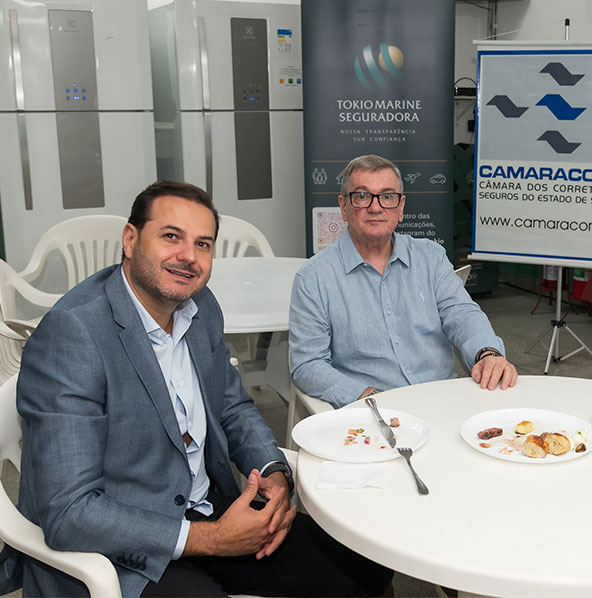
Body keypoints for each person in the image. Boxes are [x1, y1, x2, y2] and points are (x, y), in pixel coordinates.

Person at [0, 181, 391, 597]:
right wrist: (214, 539)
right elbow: (69, 513)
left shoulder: (200, 308)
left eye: (203, 244)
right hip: (119, 548)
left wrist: (273, 473)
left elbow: (232, 407)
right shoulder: (73, 334)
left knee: (363, 561)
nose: (188, 256)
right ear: (130, 240)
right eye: (171, 236)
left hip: (202, 507)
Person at [290, 154, 517, 408]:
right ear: (344, 207)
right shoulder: (314, 278)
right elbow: (307, 364)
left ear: (400, 207)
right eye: (362, 196)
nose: (376, 208)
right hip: (373, 410)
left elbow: (462, 314)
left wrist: (487, 352)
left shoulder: (430, 257)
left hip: (443, 401)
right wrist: (362, 396)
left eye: (387, 196)